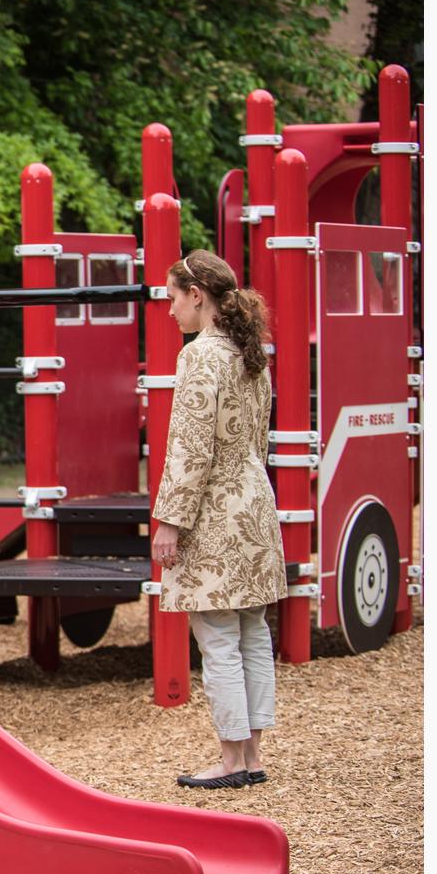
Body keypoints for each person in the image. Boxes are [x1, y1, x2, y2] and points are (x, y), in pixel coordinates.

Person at [149, 249, 288, 790]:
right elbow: (257, 438)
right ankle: (251, 753)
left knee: (216, 635)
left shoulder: (201, 356)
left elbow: (190, 448)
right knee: (251, 629)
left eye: (173, 299)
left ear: (197, 296)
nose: (170, 311)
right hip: (253, 498)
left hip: (214, 509)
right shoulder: (249, 351)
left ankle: (231, 759)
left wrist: (170, 521)